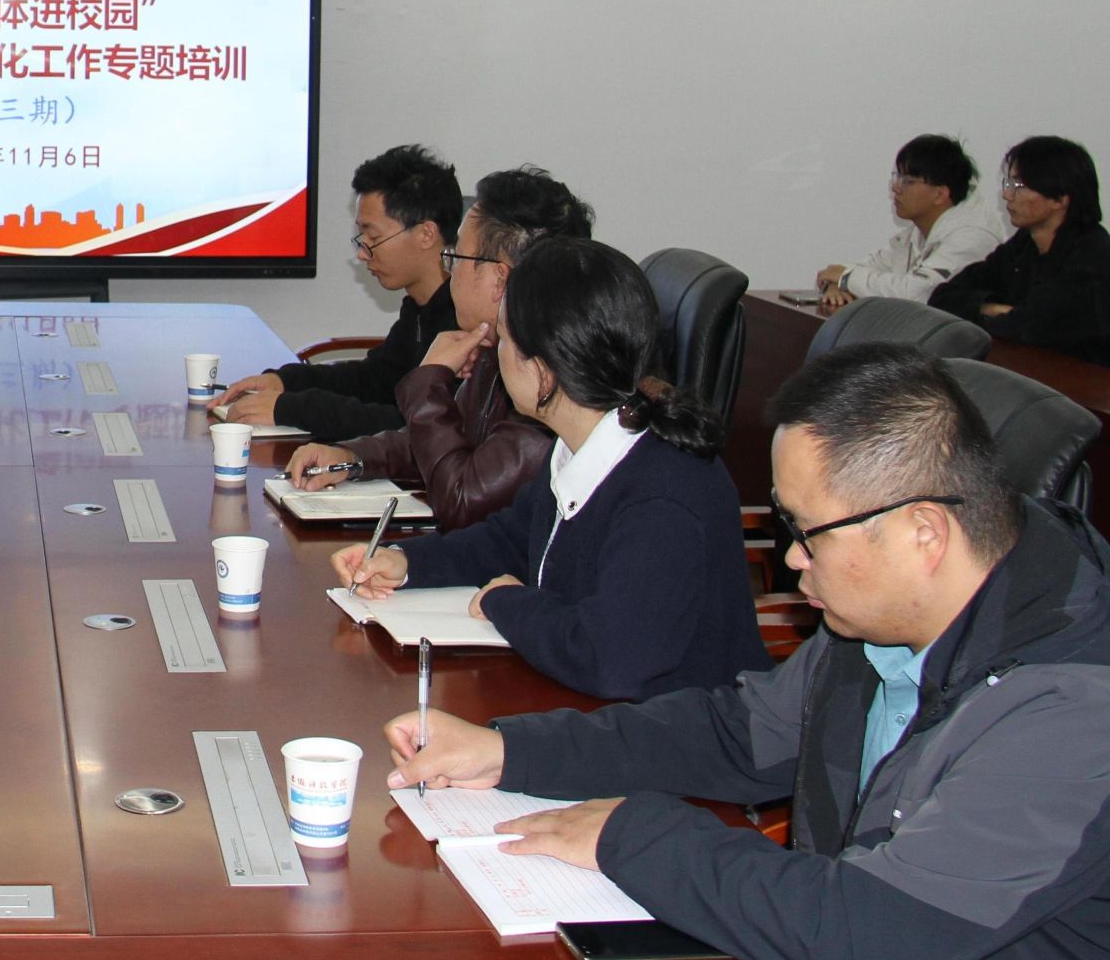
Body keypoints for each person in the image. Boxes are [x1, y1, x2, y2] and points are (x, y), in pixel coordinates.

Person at [383, 344, 1110, 960]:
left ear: (924, 534)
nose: (791, 558)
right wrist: (510, 749)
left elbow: (865, 936)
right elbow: (737, 733)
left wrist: (631, 835)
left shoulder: (1072, 715)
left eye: (809, 533)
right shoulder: (888, 619)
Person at [330, 238, 769, 699]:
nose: (496, 351)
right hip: (595, 711)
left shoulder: (664, 494)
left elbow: (610, 658)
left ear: (544, 373)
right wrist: (408, 562)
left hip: (684, 730)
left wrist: (507, 602)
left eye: (504, 338)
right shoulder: (581, 445)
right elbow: (511, 540)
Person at [284, 166, 592, 530]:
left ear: (499, 279)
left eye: (456, 257)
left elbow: (461, 501)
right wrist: (351, 457)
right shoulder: (493, 346)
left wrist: (429, 380)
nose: (449, 271)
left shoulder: (545, 375)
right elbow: (437, 445)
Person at [216, 145, 461, 440]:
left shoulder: (466, 320)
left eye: (373, 237)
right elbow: (373, 380)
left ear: (426, 234)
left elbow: (412, 425)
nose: (362, 253)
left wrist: (293, 408)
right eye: (361, 237)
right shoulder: (420, 309)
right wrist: (284, 382)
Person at [932, 135, 1110, 366]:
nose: (1007, 194)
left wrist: (995, 315)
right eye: (1009, 184)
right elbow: (943, 298)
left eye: (1019, 186)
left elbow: (1028, 328)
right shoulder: (1024, 244)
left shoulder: (1092, 256)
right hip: (1033, 373)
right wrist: (995, 308)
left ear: (1059, 199)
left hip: (1086, 383)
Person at [814, 134, 1006, 311]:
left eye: (907, 181)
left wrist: (846, 279)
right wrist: (836, 284)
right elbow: (862, 268)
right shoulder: (916, 232)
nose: (896, 188)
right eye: (897, 177)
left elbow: (918, 295)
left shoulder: (972, 237)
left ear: (940, 194)